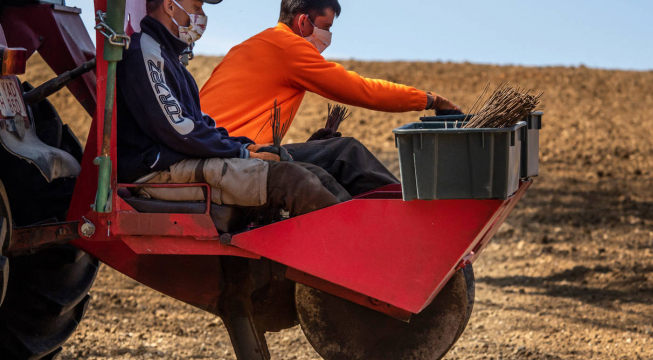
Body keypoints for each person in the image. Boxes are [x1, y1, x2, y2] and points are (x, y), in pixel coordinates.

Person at [199, 0, 462, 196]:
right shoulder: (289, 46)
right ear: (303, 22)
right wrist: (430, 100)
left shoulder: (252, 45)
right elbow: (361, 90)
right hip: (236, 155)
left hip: (214, 148)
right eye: (325, 27)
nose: (327, 37)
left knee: (327, 156)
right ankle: (411, 212)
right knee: (346, 153)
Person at [116, 0, 348, 217]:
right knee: (293, 181)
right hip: (157, 173)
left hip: (180, 161)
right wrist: (244, 154)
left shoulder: (171, 59)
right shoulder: (145, 53)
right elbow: (181, 130)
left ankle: (362, 236)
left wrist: (247, 145)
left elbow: (201, 127)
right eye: (197, 7)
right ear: (169, 6)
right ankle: (352, 247)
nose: (202, 16)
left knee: (314, 174)